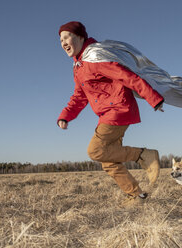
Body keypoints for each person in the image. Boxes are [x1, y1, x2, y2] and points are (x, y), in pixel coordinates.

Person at [57, 21, 164, 206]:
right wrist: (65, 115)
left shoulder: (96, 59)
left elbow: (127, 76)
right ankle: (136, 196)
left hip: (119, 110)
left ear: (81, 37)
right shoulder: (79, 67)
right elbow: (79, 96)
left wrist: (152, 97)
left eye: (67, 37)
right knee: (108, 159)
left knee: (96, 150)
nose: (63, 42)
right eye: (60, 40)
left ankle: (143, 155)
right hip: (107, 114)